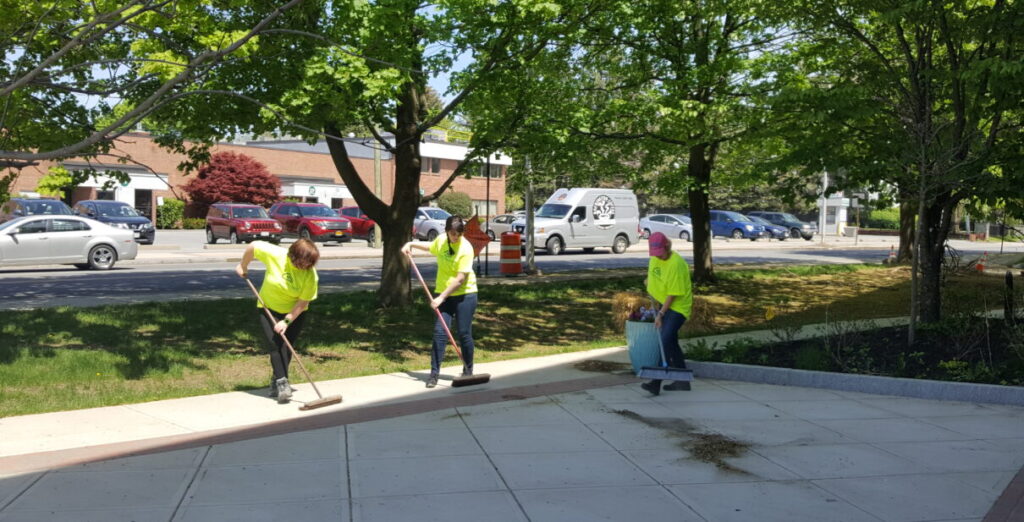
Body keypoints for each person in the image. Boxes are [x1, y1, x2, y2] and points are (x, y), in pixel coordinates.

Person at [236, 239, 320, 403]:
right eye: (303, 263)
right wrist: (243, 265)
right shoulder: (277, 255)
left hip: (295, 311)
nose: (306, 267)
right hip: (268, 306)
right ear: (293, 256)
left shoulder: (311, 276)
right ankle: (283, 384)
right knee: (274, 344)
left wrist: (286, 321)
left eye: (310, 263)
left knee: (286, 348)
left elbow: (303, 303)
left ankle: (277, 380)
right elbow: (253, 246)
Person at [402, 215, 478, 388]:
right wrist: (411, 244)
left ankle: (468, 371)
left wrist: (441, 297)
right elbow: (431, 247)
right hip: (443, 294)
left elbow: (460, 280)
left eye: (459, 234)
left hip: (465, 295)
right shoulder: (442, 240)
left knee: (464, 333)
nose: (455, 237)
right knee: (439, 334)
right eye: (453, 234)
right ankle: (434, 374)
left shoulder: (466, 249)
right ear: (447, 231)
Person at [641, 232, 693, 396]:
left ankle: (655, 383)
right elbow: (656, 277)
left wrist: (660, 314)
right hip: (666, 305)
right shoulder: (655, 258)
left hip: (679, 307)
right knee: (670, 342)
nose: (658, 257)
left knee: (664, 340)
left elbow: (673, 293)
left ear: (667, 246)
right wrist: (650, 283)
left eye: (660, 253)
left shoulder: (676, 264)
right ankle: (683, 381)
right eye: (654, 253)